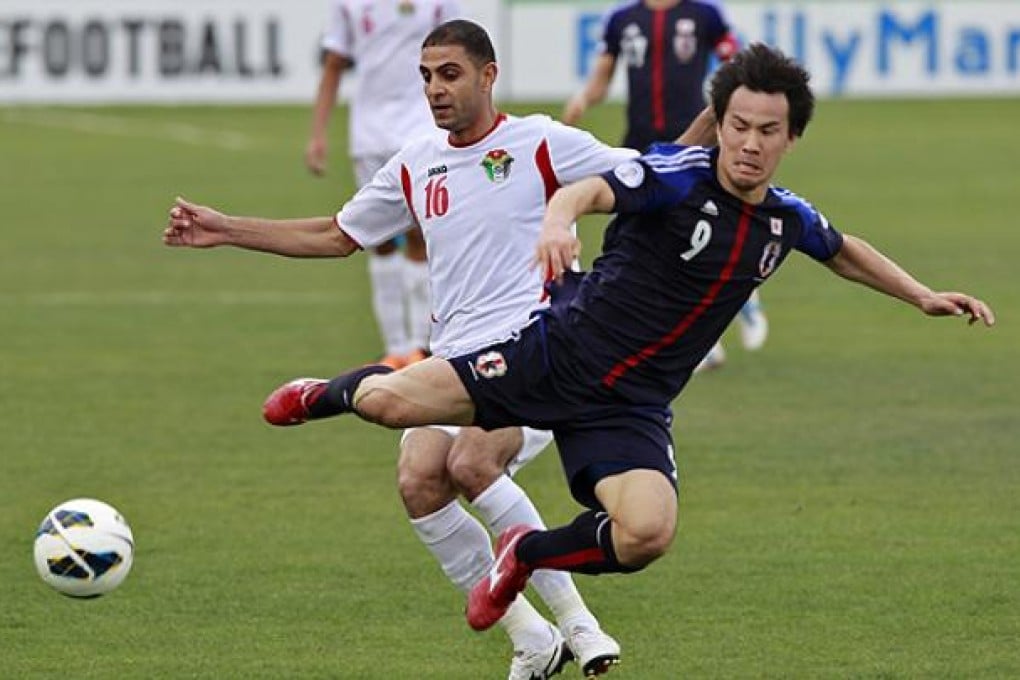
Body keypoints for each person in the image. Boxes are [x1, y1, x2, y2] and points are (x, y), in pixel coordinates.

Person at [242, 43, 994, 654]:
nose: (751, 144)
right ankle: (324, 391)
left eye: (769, 131)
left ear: (790, 138)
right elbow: (595, 188)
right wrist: (558, 217)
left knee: (645, 535)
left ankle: (526, 555)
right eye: (738, 126)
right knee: (388, 405)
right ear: (721, 123)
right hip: (556, 355)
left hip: (631, 406)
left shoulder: (785, 221)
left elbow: (843, 249)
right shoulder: (673, 175)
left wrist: (922, 294)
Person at [163, 19, 693, 680]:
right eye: (426, 76)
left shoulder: (541, 144)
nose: (435, 90)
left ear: (488, 75)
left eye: (450, 74)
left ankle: (582, 627)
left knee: (473, 461)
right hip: (453, 361)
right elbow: (337, 235)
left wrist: (708, 136)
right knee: (419, 480)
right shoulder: (417, 162)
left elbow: (650, 175)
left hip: (538, 354)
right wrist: (226, 229)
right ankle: (530, 637)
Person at [562, 0, 764, 371]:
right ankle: (705, 338)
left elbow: (735, 66)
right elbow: (603, 77)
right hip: (642, 148)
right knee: (648, 241)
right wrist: (583, 98)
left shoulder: (705, 14)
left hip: (696, 145)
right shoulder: (623, 19)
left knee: (696, 235)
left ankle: (742, 304)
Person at [306, 0, 460, 369]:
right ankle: (394, 347)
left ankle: (422, 345)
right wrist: (318, 134)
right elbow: (334, 64)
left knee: (421, 235)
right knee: (376, 240)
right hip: (370, 133)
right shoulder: (348, 5)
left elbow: (462, 56)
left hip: (422, 127)